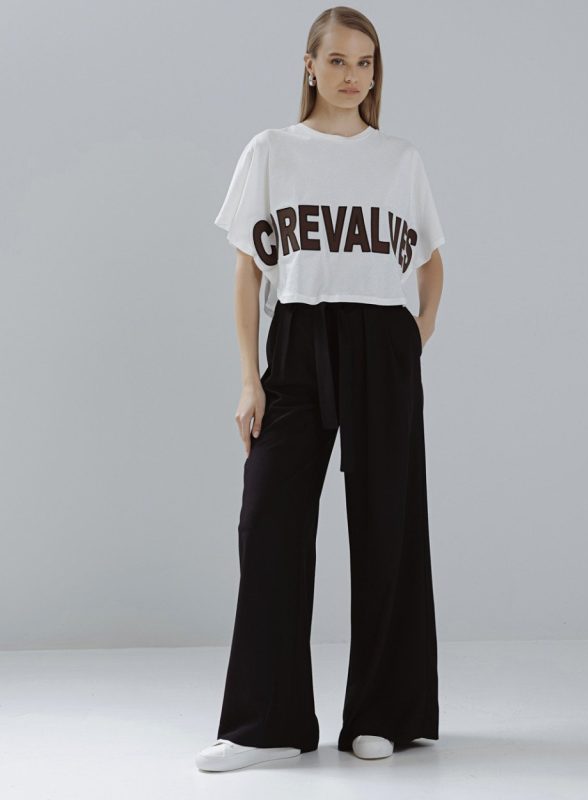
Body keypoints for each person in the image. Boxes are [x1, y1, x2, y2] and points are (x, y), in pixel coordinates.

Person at [196, 5, 445, 772]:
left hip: (381, 340)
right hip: (299, 339)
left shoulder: (399, 159)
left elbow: (432, 261)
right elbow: (247, 272)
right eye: (337, 61)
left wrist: (411, 341)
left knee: (387, 524)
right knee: (268, 521)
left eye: (365, 63)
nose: (351, 77)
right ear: (309, 66)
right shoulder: (272, 151)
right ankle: (266, 725)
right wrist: (250, 378)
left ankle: (384, 715)